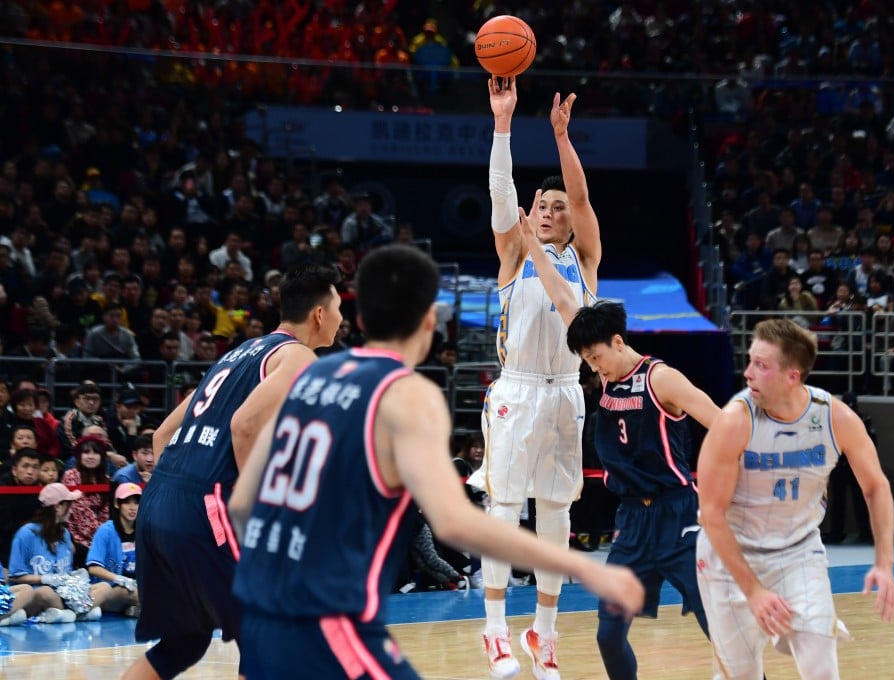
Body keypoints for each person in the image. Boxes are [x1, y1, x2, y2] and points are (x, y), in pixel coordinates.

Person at [229, 245, 643, 679]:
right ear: (430, 321)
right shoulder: (408, 396)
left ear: (362, 321)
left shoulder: (313, 376)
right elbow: (454, 523)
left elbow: (244, 498)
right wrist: (585, 567)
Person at [518, 198, 719, 679]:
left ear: (619, 341)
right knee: (608, 634)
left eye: (597, 358)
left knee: (718, 622)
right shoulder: (603, 367)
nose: (594, 368)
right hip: (631, 521)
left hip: (677, 515)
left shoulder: (661, 378)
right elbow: (562, 297)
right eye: (586, 361)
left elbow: (721, 421)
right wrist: (530, 244)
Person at [123, 264, 343, 680]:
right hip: (207, 504)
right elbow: (244, 426)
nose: (341, 317)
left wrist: (171, 496)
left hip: (159, 502)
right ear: (319, 314)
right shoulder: (299, 357)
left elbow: (162, 435)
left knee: (184, 642)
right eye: (338, 307)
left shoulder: (238, 353)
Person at [466, 75, 601, 680]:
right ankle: (495, 630)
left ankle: (543, 635)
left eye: (556, 208)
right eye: (541, 206)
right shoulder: (516, 254)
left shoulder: (585, 260)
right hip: (516, 391)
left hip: (566, 393)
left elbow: (582, 197)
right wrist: (503, 124)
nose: (547, 212)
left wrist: (561, 137)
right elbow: (502, 195)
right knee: (503, 509)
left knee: (556, 518)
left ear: (571, 222)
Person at [696, 318, 894, 679]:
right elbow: (711, 514)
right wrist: (754, 591)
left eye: (761, 365)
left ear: (792, 376)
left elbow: (876, 487)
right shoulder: (733, 422)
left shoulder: (835, 418)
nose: (747, 373)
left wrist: (884, 563)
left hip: (798, 551)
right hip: (731, 554)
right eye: (749, 361)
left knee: (822, 669)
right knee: (740, 675)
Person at [8, 482, 110, 623]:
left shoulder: (65, 533)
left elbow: (65, 572)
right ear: (58, 506)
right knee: (45, 593)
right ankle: (79, 612)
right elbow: (15, 577)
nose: (71, 510)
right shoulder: (26, 534)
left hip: (64, 592)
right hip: (37, 594)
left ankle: (67, 614)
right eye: (69, 505)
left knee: (104, 587)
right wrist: (44, 579)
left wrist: (74, 578)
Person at [823, 393, 873, 545]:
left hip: (857, 466)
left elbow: (872, 442)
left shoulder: (864, 420)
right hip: (839, 466)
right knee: (838, 501)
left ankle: (866, 533)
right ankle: (836, 533)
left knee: (861, 502)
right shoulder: (834, 421)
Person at [86, 482, 142, 617]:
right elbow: (93, 568)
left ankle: (136, 610)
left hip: (137, 586)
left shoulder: (143, 530)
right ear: (117, 504)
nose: (132, 507)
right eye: (127, 502)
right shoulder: (105, 531)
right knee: (129, 592)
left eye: (136, 503)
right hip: (109, 591)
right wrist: (118, 579)